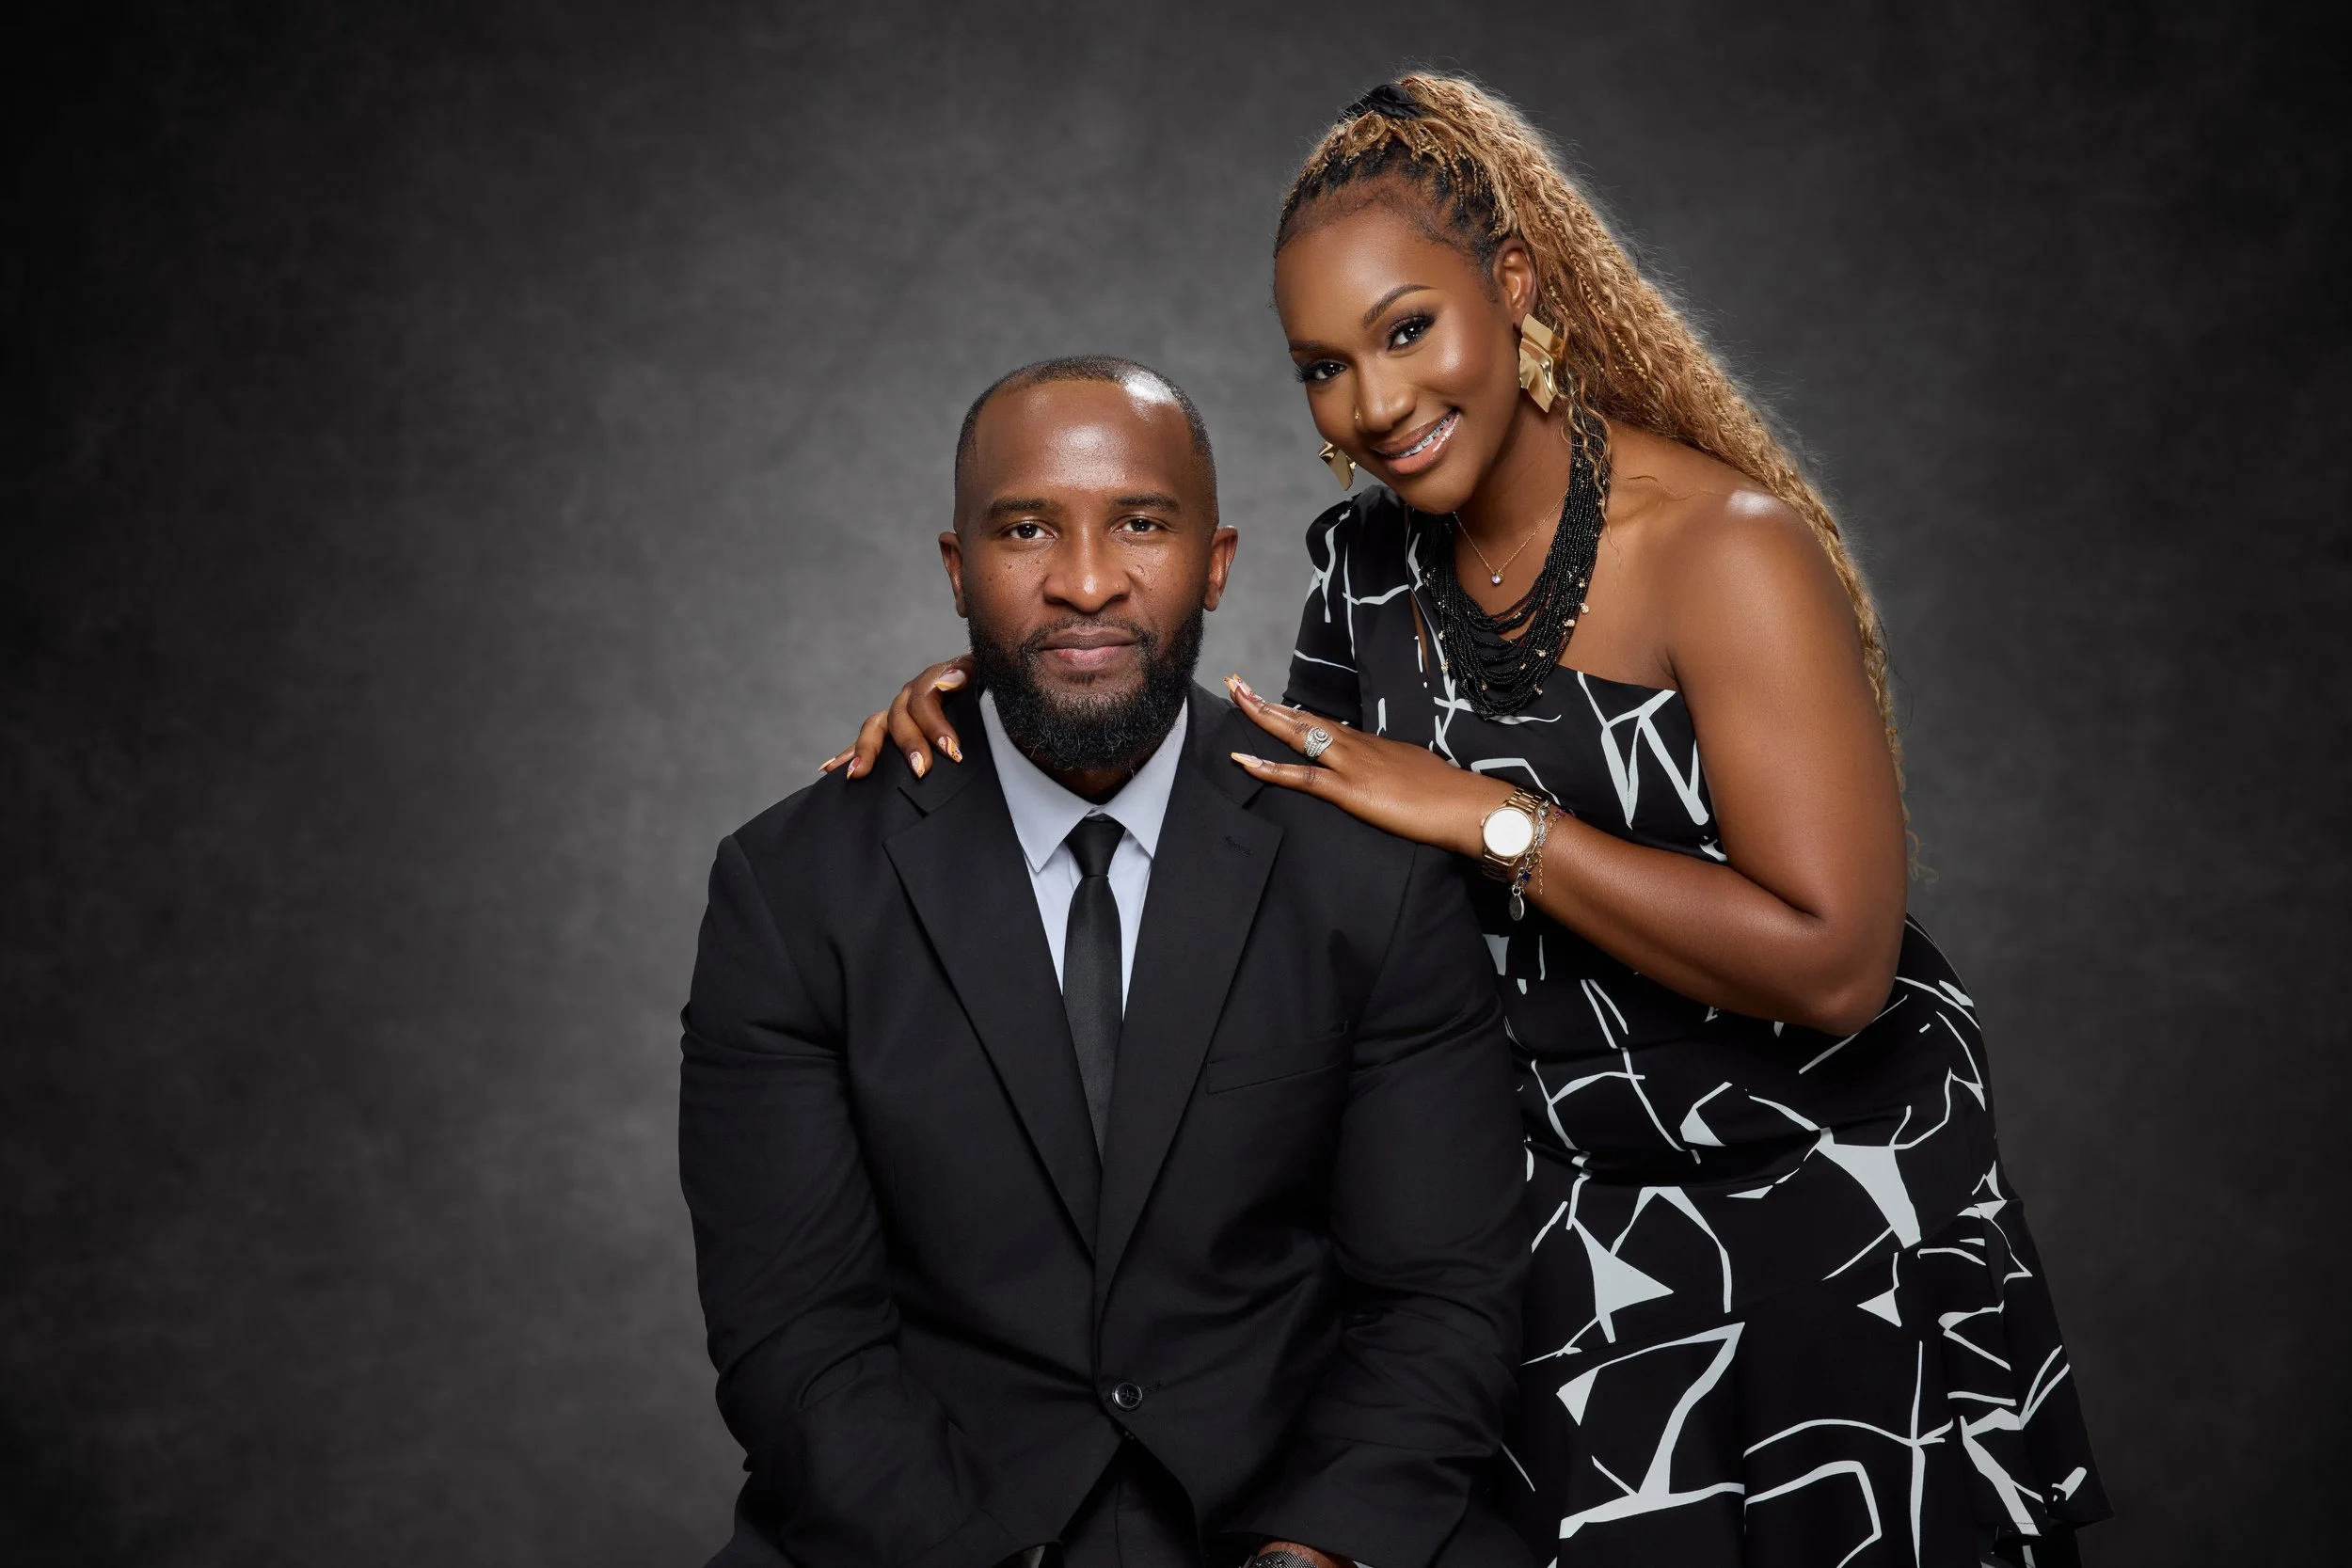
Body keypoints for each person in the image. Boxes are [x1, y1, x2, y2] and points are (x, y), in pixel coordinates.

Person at [825, 78, 2107, 1568]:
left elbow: (1838, 965)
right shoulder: (1368, 570)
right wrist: (1025, 679)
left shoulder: (1722, 551)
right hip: (1556, 1243)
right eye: (1322, 367)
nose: (1372, 405)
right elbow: (1264, 813)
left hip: (1818, 1229)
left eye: (1405, 330)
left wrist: (1495, 823)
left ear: (1514, 290)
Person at [681, 355, 1535, 1568]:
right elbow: (795, 1337)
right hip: (925, 1529)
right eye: (1027, 530)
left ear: (1218, 562)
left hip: (1295, 1520)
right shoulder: (793, 889)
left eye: (1141, 524)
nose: (1085, 583)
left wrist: (1311, 1555)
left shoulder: (1372, 873)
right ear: (958, 569)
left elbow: (1440, 1298)